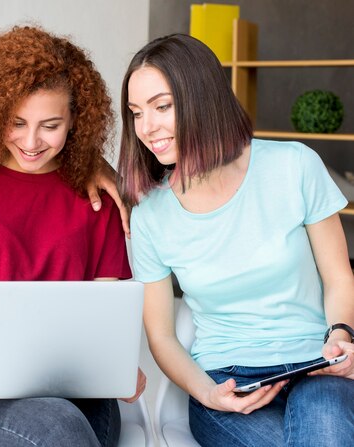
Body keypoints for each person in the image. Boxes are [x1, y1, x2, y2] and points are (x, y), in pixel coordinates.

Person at [0, 25, 145, 447]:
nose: (32, 142)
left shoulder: (95, 197)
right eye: (16, 123)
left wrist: (119, 365)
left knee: (67, 423)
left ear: (75, 120)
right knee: (61, 430)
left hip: (80, 388)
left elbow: (105, 310)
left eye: (50, 125)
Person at [118, 33, 354, 446]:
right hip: (228, 383)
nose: (147, 127)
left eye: (162, 106)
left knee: (326, 422)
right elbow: (162, 337)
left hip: (315, 365)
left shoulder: (294, 166)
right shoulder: (151, 216)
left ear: (202, 98)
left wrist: (341, 334)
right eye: (136, 113)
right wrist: (208, 393)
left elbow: (338, 276)